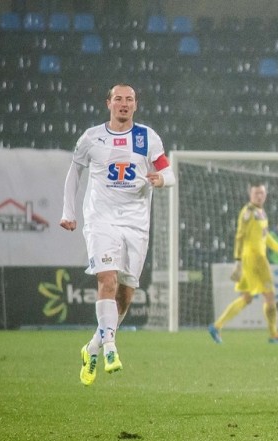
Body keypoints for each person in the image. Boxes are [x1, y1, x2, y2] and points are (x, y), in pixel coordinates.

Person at [60, 83, 176, 387]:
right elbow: (75, 173)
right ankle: (111, 347)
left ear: (136, 105)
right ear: (108, 103)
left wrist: (160, 179)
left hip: (136, 224)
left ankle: (93, 347)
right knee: (107, 280)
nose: (124, 104)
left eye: (129, 99)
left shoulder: (147, 137)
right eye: (118, 99)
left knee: (125, 294)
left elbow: (170, 172)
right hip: (101, 221)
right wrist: (68, 212)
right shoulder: (91, 138)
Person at [208, 182, 278, 345]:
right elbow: (239, 236)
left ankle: (217, 326)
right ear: (250, 195)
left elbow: (265, 237)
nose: (259, 196)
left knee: (248, 297)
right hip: (253, 259)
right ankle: (274, 335)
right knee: (269, 297)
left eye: (262, 193)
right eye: (256, 193)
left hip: (258, 258)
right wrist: (238, 261)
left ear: (266, 195)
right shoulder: (247, 212)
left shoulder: (260, 212)